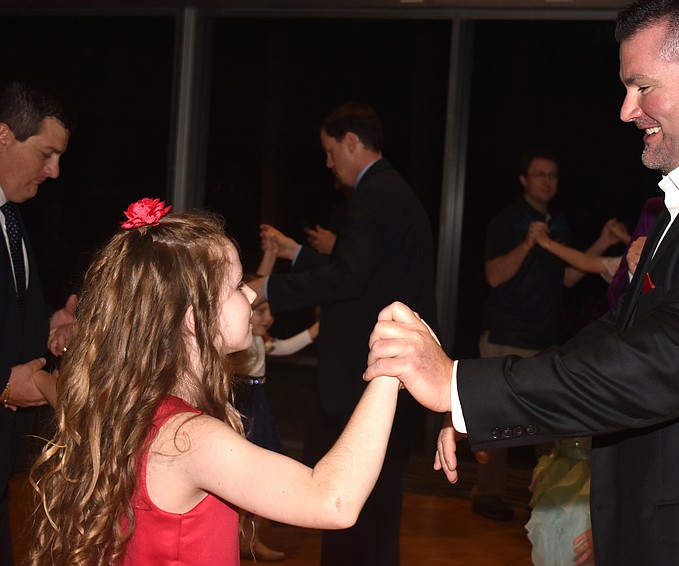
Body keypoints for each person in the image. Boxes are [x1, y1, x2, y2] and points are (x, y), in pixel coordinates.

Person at [365, 0, 679, 563]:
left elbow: (660, 363)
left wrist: (456, 387)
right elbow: (623, 330)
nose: (626, 110)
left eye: (643, 87)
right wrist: (476, 404)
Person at [25, 201, 402, 566]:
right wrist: (389, 369)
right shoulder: (188, 439)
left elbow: (65, 396)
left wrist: (37, 377)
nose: (251, 293)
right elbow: (333, 500)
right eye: (237, 286)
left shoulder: (130, 407)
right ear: (195, 319)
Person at [248, 101, 438, 566]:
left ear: (351, 142)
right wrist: (297, 254)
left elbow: (349, 281)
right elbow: (363, 274)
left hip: (364, 371)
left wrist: (267, 287)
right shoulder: (392, 190)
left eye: (330, 151)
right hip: (382, 368)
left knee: (358, 507)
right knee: (376, 505)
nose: (328, 163)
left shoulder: (374, 196)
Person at [474, 150, 628, 522]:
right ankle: (487, 496)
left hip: (544, 339)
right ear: (524, 180)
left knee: (546, 427)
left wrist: (602, 242)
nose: (546, 181)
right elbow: (494, 276)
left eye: (552, 175)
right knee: (496, 423)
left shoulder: (558, 222)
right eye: (539, 175)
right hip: (506, 334)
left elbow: (569, 277)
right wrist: (528, 243)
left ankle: (544, 503)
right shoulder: (506, 220)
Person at [0, 79, 77, 565]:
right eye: (46, 154)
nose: (54, 171)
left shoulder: (10, 215)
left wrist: (48, 327)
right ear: (3, 135)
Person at [233, 243, 319, 561]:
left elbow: (283, 347)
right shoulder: (237, 342)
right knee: (241, 475)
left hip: (259, 404)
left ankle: (251, 539)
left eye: (270, 311)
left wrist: (316, 329)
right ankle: (236, 537)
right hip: (242, 405)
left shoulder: (259, 339)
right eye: (260, 311)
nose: (269, 318)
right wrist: (268, 258)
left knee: (260, 473)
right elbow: (250, 294)